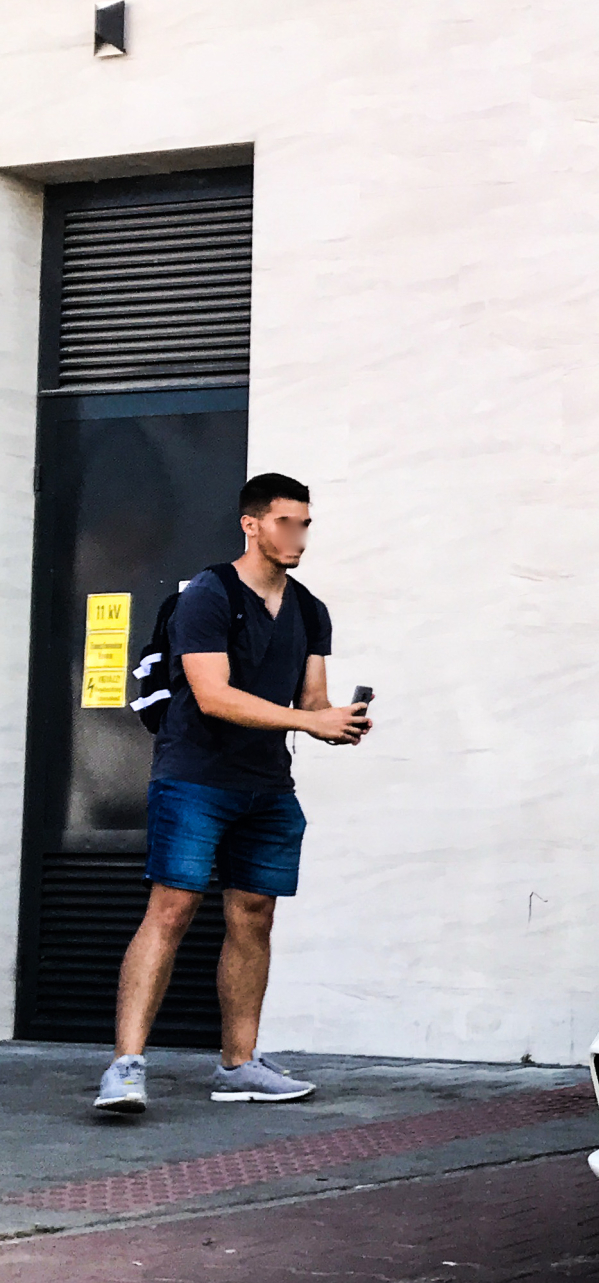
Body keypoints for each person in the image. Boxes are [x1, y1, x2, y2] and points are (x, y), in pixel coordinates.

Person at [93, 474, 370, 1112]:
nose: (298, 535)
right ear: (252, 524)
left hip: (267, 785)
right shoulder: (208, 595)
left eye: (305, 523)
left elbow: (310, 703)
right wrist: (310, 722)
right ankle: (125, 1067)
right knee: (172, 910)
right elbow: (212, 696)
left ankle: (239, 1065)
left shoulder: (309, 609)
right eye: (285, 522)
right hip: (194, 776)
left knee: (255, 915)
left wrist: (339, 724)